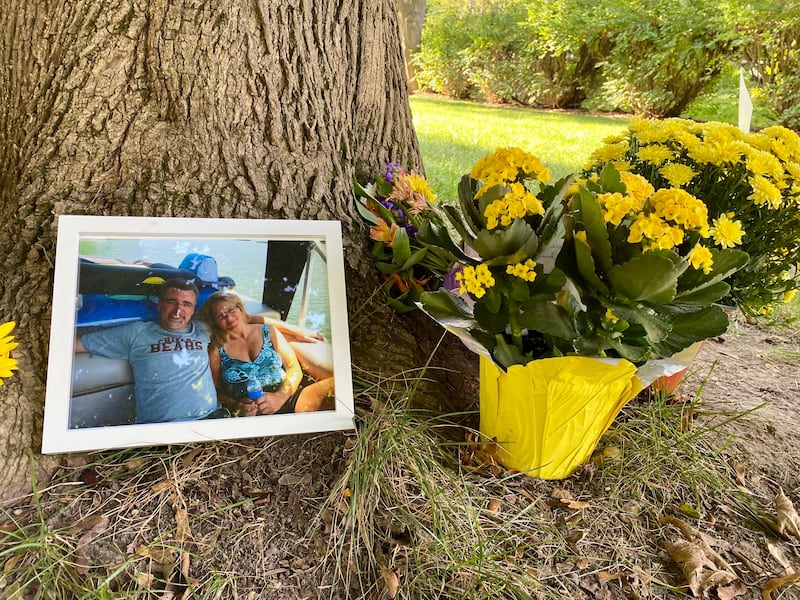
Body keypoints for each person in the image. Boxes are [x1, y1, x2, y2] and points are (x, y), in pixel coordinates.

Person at [74, 278, 226, 423]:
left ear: (193, 310)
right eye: (171, 302)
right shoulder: (136, 333)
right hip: (162, 429)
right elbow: (77, 344)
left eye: (186, 304)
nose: (178, 310)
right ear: (159, 304)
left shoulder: (203, 330)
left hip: (211, 418)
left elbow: (242, 323)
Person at [198, 291, 335, 417]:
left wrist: (279, 397)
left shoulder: (268, 331)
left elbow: (293, 368)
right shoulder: (216, 350)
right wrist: (236, 405)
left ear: (240, 309)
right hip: (250, 413)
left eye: (231, 310)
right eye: (220, 315)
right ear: (215, 323)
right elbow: (213, 392)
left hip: (289, 399)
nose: (228, 317)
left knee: (340, 383)